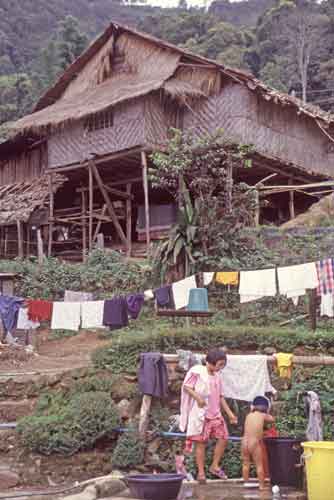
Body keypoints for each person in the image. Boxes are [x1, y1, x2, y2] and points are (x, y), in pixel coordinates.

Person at [179, 348, 237, 484]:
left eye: (223, 364)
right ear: (210, 362)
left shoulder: (217, 376)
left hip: (215, 413)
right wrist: (198, 398)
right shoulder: (197, 372)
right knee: (201, 443)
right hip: (202, 413)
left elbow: (221, 396)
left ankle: (214, 466)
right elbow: (186, 386)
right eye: (220, 364)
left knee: (223, 438)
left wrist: (230, 414)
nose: (221, 367)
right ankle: (201, 473)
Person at [241, 396, 275, 490]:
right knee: (259, 464)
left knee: (245, 463)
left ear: (253, 407)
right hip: (254, 442)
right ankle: (261, 486)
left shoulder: (248, 415)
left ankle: (246, 482)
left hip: (244, 442)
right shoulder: (263, 415)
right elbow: (272, 419)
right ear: (265, 408)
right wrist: (268, 413)